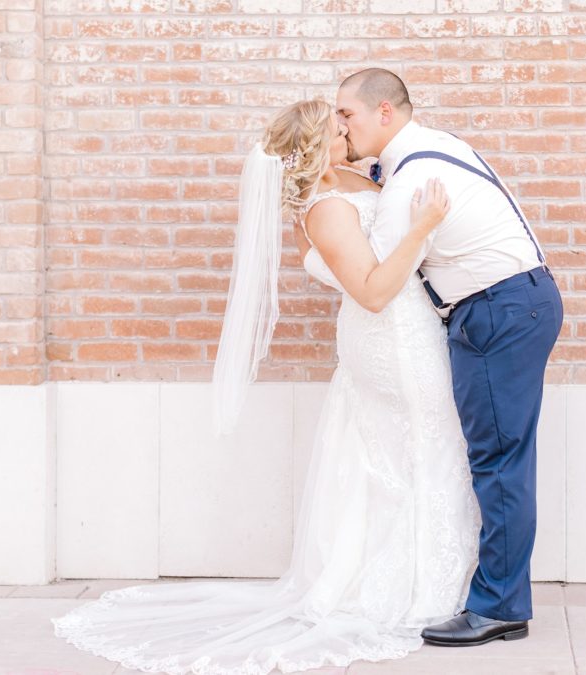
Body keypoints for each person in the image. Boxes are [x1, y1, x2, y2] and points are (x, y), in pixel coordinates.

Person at [50, 99, 481, 673]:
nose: (348, 128)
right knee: (423, 448)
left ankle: (431, 579)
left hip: (399, 334)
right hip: (392, 337)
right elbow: (374, 290)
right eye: (338, 126)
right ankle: (421, 590)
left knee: (410, 452)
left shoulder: (354, 177)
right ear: (315, 145)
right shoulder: (326, 208)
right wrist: (423, 228)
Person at [336, 68, 564, 646]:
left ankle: (499, 607)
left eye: (348, 115)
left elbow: (381, 280)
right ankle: (499, 598)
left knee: (498, 461)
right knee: (500, 457)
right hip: (509, 304)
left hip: (497, 310)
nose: (342, 125)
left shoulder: (417, 175)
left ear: (384, 111)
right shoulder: (431, 148)